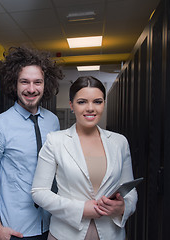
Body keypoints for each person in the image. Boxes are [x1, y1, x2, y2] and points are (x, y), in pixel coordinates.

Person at [0, 46, 64, 240]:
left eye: (37, 82)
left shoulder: (53, 121)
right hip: (16, 230)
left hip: (53, 224)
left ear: (45, 84)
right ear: (14, 84)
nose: (31, 89)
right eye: (24, 82)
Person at [31, 76, 138, 240]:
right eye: (82, 102)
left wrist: (123, 207)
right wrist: (80, 209)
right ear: (71, 105)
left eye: (97, 101)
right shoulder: (55, 141)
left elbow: (130, 192)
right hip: (66, 233)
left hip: (111, 233)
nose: (90, 108)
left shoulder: (119, 142)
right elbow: (39, 192)